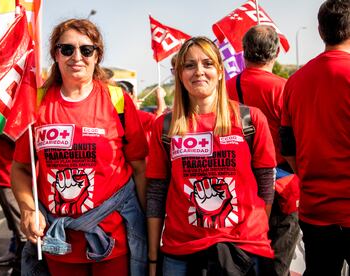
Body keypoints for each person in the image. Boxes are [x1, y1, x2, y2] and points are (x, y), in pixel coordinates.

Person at [11, 19, 148, 276]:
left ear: (97, 56)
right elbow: (19, 168)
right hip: (58, 242)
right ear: (55, 54)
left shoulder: (117, 100)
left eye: (86, 50)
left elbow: (140, 168)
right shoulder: (37, 104)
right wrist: (28, 210)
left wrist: (149, 227)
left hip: (113, 238)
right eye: (67, 49)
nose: (77, 57)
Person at [146, 36, 277, 276]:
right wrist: (153, 260)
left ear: (219, 70)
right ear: (180, 74)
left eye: (207, 64)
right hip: (181, 252)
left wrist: (252, 229)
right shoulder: (164, 127)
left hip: (245, 248)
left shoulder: (251, 119)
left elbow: (266, 183)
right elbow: (156, 192)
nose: (199, 72)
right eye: (189, 65)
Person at [280, 1, 350, 275]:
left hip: (315, 211)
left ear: (320, 32)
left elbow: (288, 145)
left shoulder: (295, 81)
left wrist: (307, 176)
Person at [226, 25, 300, 276]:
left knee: (242, 256)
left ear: (243, 52)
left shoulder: (224, 89)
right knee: (279, 258)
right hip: (282, 183)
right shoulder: (285, 88)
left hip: (238, 183)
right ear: (277, 52)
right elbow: (296, 139)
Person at [0, 135, 26, 275]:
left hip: (10, 182)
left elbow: (19, 140)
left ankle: (21, 267)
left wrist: (1, 131)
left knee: (22, 231)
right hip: (0, 180)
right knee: (14, 227)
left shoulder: (9, 119)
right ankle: (14, 252)